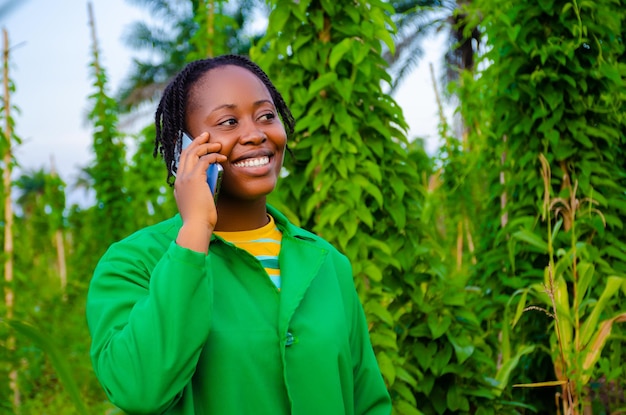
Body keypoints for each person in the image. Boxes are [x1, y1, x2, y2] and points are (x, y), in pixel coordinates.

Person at [86, 54, 391, 415]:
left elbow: (368, 402)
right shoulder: (135, 262)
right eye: (229, 121)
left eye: (266, 115)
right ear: (183, 148)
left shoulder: (328, 264)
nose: (255, 134)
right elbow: (137, 388)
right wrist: (195, 229)